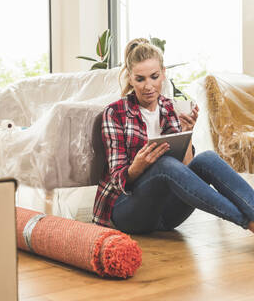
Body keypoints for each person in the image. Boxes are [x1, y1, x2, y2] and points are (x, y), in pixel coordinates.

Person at [92, 38, 254, 234]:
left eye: (154, 76)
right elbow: (118, 178)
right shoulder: (115, 113)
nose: (148, 86)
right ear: (130, 78)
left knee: (207, 158)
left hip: (165, 215)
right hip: (126, 211)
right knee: (164, 164)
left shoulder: (168, 108)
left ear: (163, 74)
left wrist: (186, 134)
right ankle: (248, 223)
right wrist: (137, 166)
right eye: (140, 79)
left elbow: (185, 172)